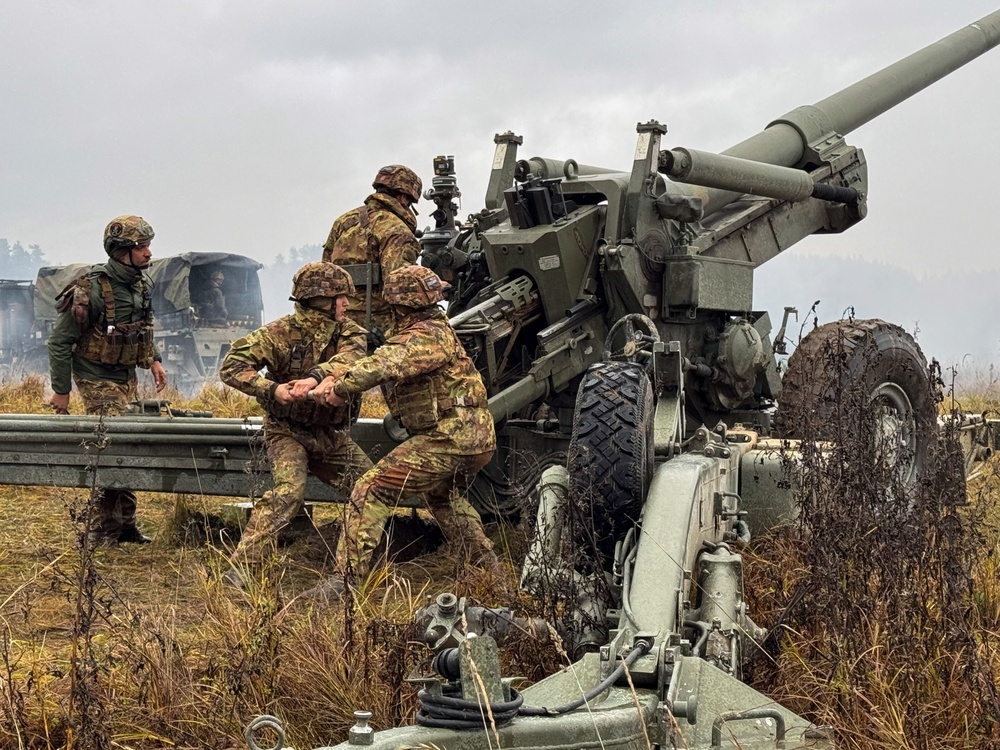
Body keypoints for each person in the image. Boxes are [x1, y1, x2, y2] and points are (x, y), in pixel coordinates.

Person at [306, 264, 500, 599]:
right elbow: (374, 357)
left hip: (450, 437)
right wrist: (323, 376)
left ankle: (345, 582)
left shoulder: (422, 336)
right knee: (442, 498)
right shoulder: (433, 330)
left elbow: (382, 364)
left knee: (370, 489)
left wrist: (339, 389)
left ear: (398, 305)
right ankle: (489, 570)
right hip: (471, 437)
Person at [218, 261, 380, 588]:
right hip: (286, 431)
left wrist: (314, 378)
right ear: (320, 299)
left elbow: (350, 361)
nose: (347, 303)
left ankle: (357, 567)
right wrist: (272, 389)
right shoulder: (278, 334)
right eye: (340, 297)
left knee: (371, 489)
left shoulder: (350, 332)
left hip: (330, 435)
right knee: (288, 494)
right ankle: (241, 571)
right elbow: (232, 366)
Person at [48, 214, 168, 546]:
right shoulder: (91, 289)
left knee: (125, 444)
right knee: (112, 443)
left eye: (148, 246)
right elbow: (59, 342)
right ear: (120, 251)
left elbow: (144, 328)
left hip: (125, 376)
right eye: (141, 247)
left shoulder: (142, 284)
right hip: (95, 376)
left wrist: (154, 360)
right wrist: (61, 391)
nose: (148, 253)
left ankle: (124, 524)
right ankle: (99, 528)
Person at [322, 164, 423, 346]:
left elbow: (324, 271)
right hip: (377, 333)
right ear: (403, 197)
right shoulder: (397, 231)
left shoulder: (344, 222)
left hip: (338, 327)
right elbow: (401, 287)